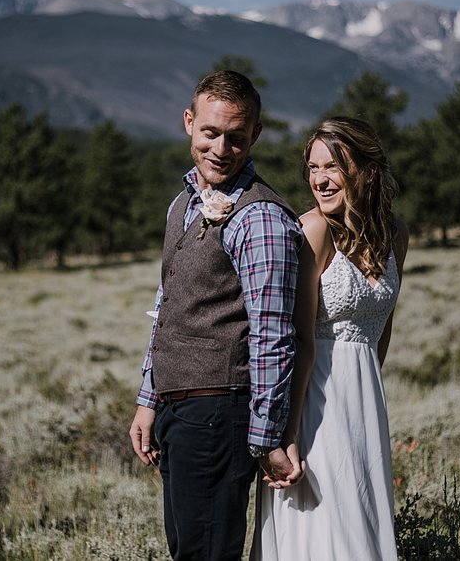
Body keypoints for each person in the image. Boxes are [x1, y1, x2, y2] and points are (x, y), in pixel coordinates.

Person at [128, 70, 305, 561]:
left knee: (206, 553)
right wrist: (149, 399)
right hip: (176, 409)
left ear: (255, 136)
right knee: (188, 547)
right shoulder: (180, 204)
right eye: (210, 132)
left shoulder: (261, 217)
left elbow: (273, 335)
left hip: (219, 413)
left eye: (236, 137)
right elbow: (168, 307)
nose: (221, 148)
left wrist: (267, 436)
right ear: (189, 122)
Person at [251, 116, 409, 560]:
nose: (319, 180)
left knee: (363, 517)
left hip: (364, 403)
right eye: (313, 168)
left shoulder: (396, 237)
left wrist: (368, 403)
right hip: (313, 401)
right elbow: (299, 338)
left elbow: (382, 331)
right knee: (326, 528)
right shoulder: (314, 232)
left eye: (332, 167)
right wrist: (288, 433)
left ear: (366, 169)